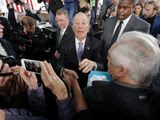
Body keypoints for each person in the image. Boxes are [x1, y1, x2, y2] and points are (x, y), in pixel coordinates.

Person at [39, 31, 160, 120]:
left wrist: (69, 87)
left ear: (121, 70)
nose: (106, 61)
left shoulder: (97, 94)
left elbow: (83, 114)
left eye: (110, 60)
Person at [56, 12, 104, 89]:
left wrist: (94, 64)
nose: (80, 26)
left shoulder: (97, 44)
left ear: (88, 28)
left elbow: (102, 66)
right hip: (70, 86)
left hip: (89, 87)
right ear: (72, 27)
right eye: (77, 23)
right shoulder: (65, 43)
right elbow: (59, 65)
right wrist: (64, 71)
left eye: (84, 23)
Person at [101, 0, 150, 70]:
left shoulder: (142, 26)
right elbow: (102, 45)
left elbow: (141, 55)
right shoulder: (109, 22)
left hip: (125, 71)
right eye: (119, 7)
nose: (120, 10)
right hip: (103, 66)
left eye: (125, 8)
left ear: (133, 8)